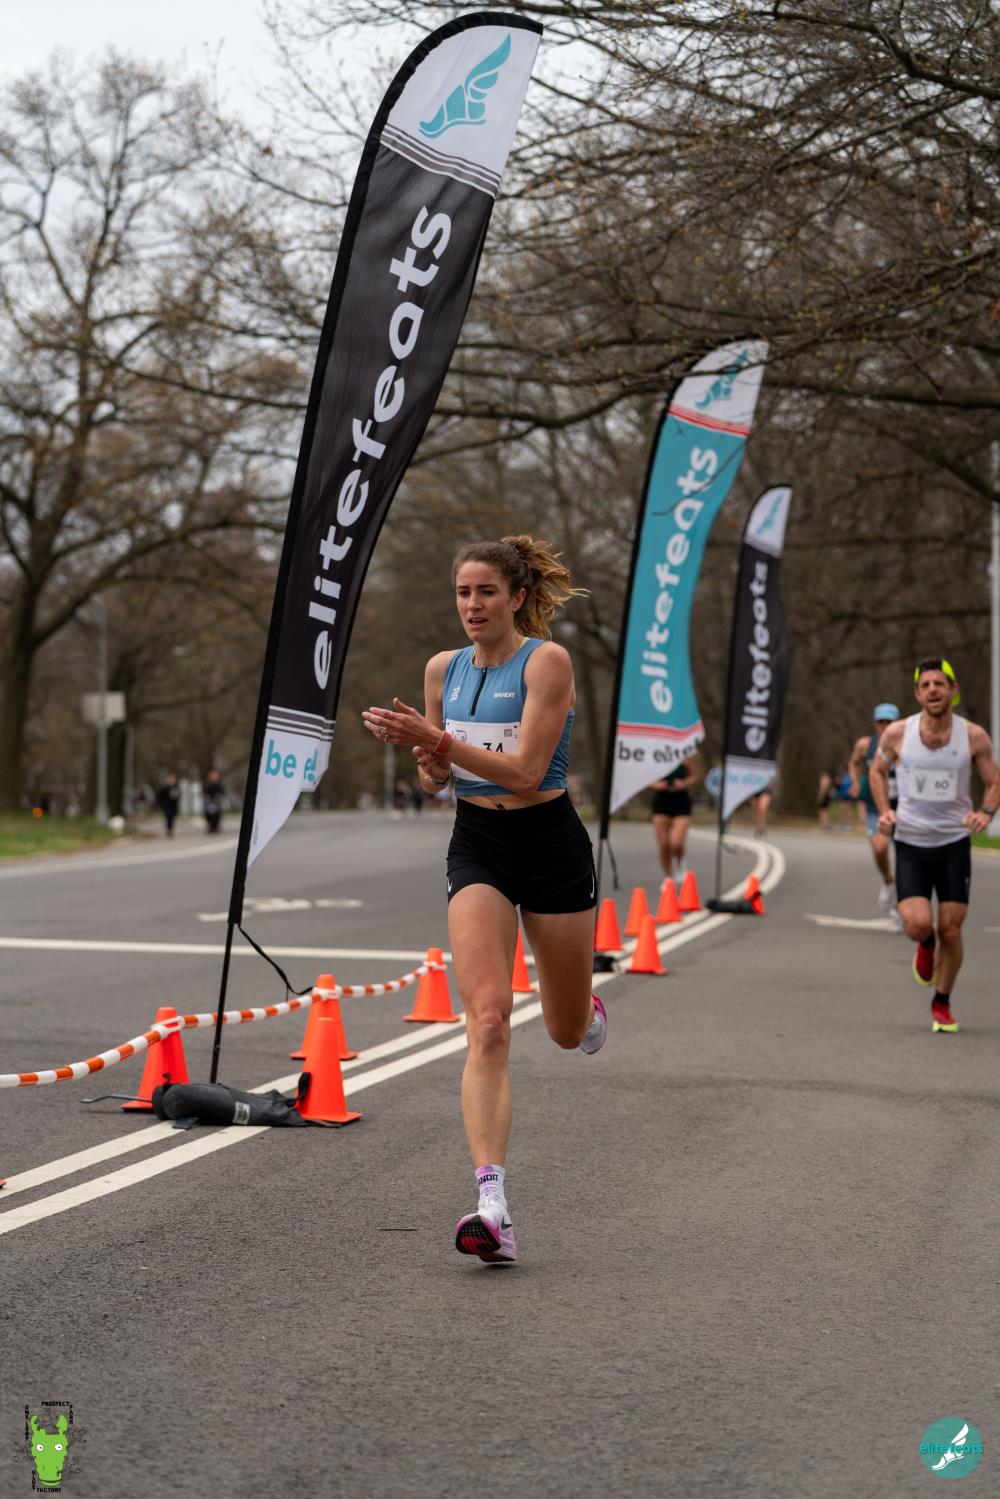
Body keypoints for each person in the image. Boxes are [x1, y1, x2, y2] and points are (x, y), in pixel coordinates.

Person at [362, 535, 604, 1266]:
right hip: (479, 845)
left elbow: (528, 771)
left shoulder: (546, 662)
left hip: (550, 844)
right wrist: (430, 762)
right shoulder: (443, 668)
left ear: (517, 597)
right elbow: (440, 778)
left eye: (487, 592)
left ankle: (583, 1003)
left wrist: (438, 739)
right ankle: (491, 1204)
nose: (472, 605)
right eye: (463, 593)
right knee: (489, 1019)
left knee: (563, 1030)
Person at [870, 658, 1000, 1034]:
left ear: (953, 690)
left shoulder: (973, 736)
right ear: (917, 694)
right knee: (916, 924)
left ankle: (941, 1003)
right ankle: (925, 945)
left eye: (939, 684)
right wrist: (884, 811)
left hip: (953, 842)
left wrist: (986, 812)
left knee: (953, 930)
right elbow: (876, 772)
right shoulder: (898, 733)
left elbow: (994, 781)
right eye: (925, 685)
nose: (933, 690)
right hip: (911, 841)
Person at [848, 703, 901, 924]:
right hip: (875, 805)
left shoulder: (908, 744)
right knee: (879, 848)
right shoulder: (865, 745)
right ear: (875, 723)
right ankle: (888, 882)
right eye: (881, 722)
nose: (885, 726)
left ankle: (900, 908)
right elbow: (854, 763)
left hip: (903, 807)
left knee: (905, 860)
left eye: (890, 722)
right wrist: (855, 782)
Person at [650, 756, 696, 883]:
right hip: (661, 802)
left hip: (681, 802)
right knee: (664, 845)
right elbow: (646, 778)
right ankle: (668, 877)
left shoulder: (684, 756)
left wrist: (684, 783)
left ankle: (680, 863)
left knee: (676, 843)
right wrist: (656, 785)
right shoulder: (656, 756)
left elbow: (693, 777)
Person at [156, 772, 180, 837]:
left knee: (172, 818)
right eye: (171, 780)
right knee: (168, 818)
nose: (173, 781)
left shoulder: (176, 787)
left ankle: (171, 829)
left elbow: (177, 797)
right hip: (167, 806)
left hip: (173, 806)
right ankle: (168, 830)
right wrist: (161, 804)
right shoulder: (165, 788)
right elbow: (159, 797)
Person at [202, 768, 224, 834]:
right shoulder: (207, 784)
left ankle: (216, 827)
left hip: (216, 802)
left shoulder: (219, 784)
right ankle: (210, 827)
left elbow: (222, 792)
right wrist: (206, 796)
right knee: (209, 815)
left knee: (217, 815)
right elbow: (204, 792)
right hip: (209, 802)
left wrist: (219, 797)